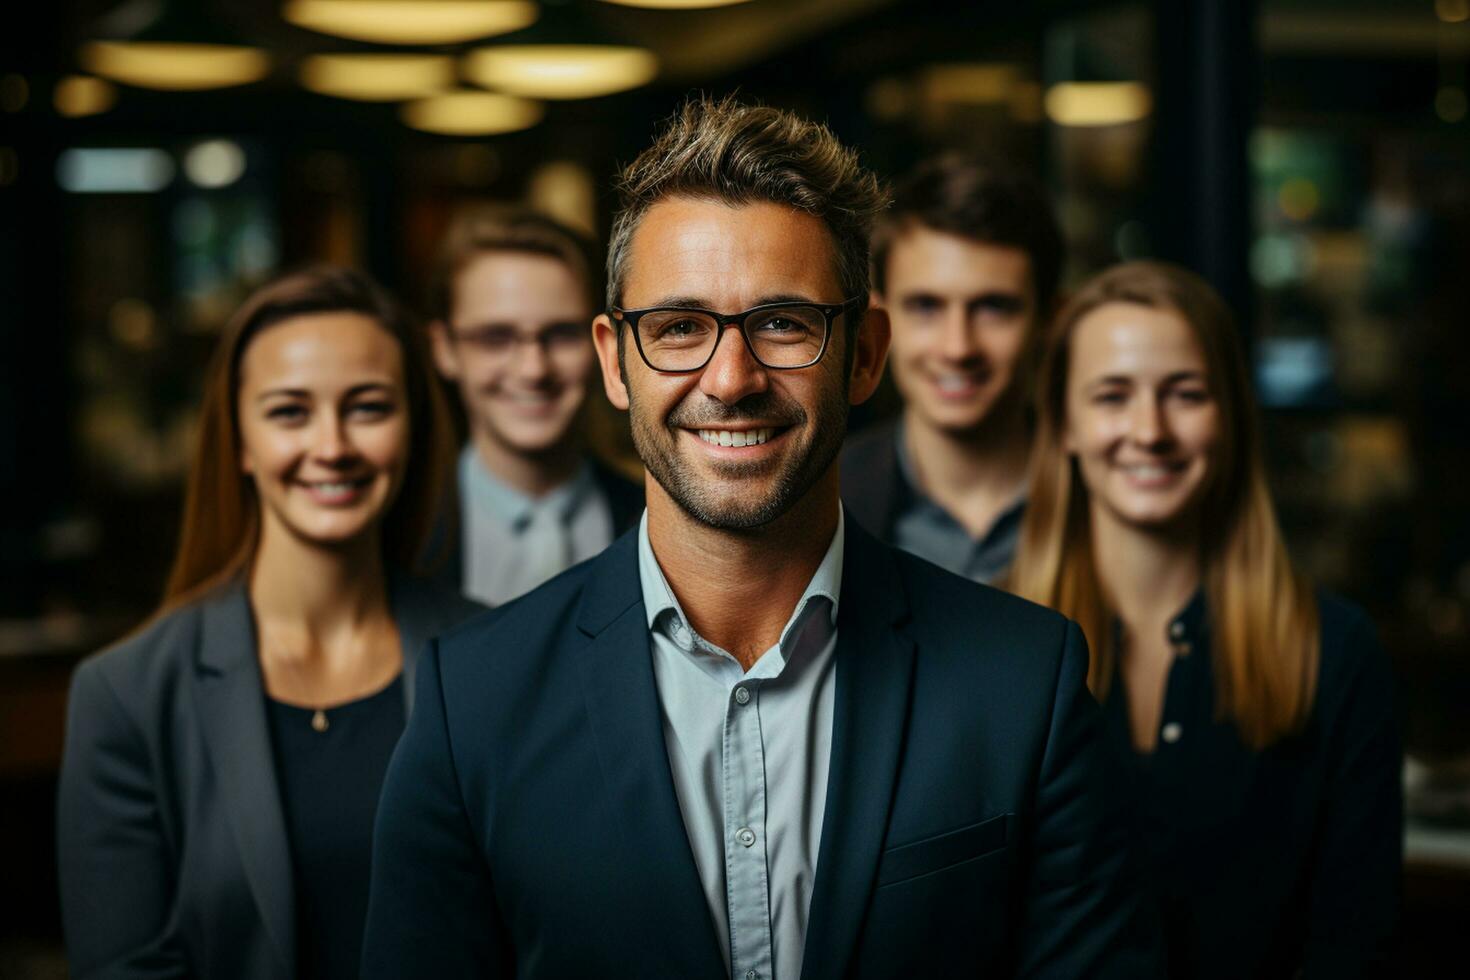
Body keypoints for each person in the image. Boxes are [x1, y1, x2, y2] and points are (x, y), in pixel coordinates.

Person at [363, 97, 1159, 979]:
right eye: (678, 328)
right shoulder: (469, 699)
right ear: (612, 361)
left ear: (864, 354)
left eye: (783, 322)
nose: (731, 379)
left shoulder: (1023, 684)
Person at [57, 267, 482, 980]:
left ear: (413, 427)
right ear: (241, 442)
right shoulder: (124, 695)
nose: (332, 445)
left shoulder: (495, 659)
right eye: (289, 411)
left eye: (369, 407)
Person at [1009, 261, 1401, 978]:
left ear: (1231, 418)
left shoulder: (1336, 654)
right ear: (1064, 422)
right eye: (1112, 395)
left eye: (1185, 394)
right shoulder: (990, 649)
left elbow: (1355, 950)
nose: (1150, 430)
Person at [842, 153, 1062, 584]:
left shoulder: (1107, 496)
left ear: (1050, 322)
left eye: (994, 308)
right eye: (926, 306)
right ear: (878, 325)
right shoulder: (821, 500)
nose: (958, 347)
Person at [427, 205, 643, 605]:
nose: (533, 370)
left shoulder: (652, 519)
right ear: (445, 349)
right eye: (495, 337)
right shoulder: (401, 534)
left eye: (561, 334)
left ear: (604, 346)